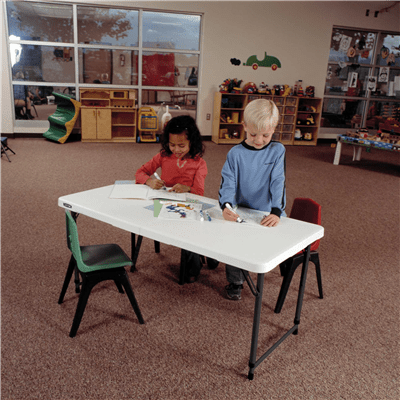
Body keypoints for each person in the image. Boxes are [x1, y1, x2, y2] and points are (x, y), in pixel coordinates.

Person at [219, 99, 286, 300]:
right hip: (241, 209)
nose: (258, 140)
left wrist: (277, 211)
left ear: (274, 129)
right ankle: (235, 282)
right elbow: (228, 182)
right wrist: (226, 205)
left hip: (266, 210)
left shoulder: (277, 151)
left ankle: (250, 270)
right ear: (245, 126)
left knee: (256, 249)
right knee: (233, 244)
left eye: (266, 135)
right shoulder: (235, 153)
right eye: (253, 134)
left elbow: (278, 182)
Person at [135, 115, 210, 282]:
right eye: (172, 144)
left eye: (181, 145)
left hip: (189, 205)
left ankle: (199, 260)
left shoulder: (199, 163)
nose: (176, 149)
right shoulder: (163, 156)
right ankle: (205, 253)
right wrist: (149, 181)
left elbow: (199, 193)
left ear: (193, 142)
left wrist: (187, 189)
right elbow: (140, 173)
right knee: (141, 218)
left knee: (192, 231)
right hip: (164, 202)